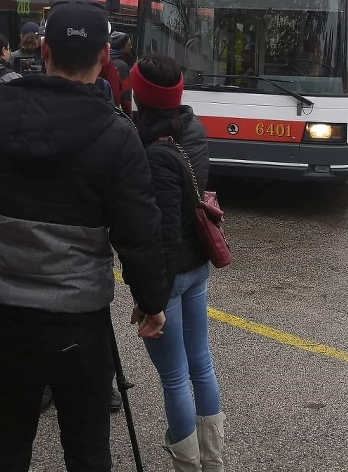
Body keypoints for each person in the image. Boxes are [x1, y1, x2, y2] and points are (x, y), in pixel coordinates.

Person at [0, 0, 170, 472]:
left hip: (2, 313)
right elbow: (138, 231)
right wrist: (152, 298)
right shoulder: (117, 133)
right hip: (79, 320)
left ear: (44, 53)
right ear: (105, 59)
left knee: (8, 433)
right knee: (86, 447)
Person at [131, 54, 225, 472]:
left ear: (139, 94)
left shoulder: (151, 152)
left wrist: (151, 302)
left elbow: (161, 235)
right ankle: (212, 460)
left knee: (174, 377)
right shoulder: (194, 129)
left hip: (168, 275)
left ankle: (189, 465)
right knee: (201, 362)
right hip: (197, 265)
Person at [110, 32, 134, 114]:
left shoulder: (105, 60)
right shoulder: (122, 66)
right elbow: (126, 97)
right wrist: (129, 116)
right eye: (129, 44)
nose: (131, 47)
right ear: (122, 48)